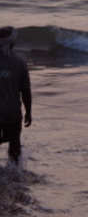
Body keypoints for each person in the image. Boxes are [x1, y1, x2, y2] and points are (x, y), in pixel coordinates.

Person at [0, 27, 32, 164]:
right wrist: (28, 112)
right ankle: (16, 176)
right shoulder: (20, 62)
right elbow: (25, 91)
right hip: (13, 112)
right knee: (15, 147)